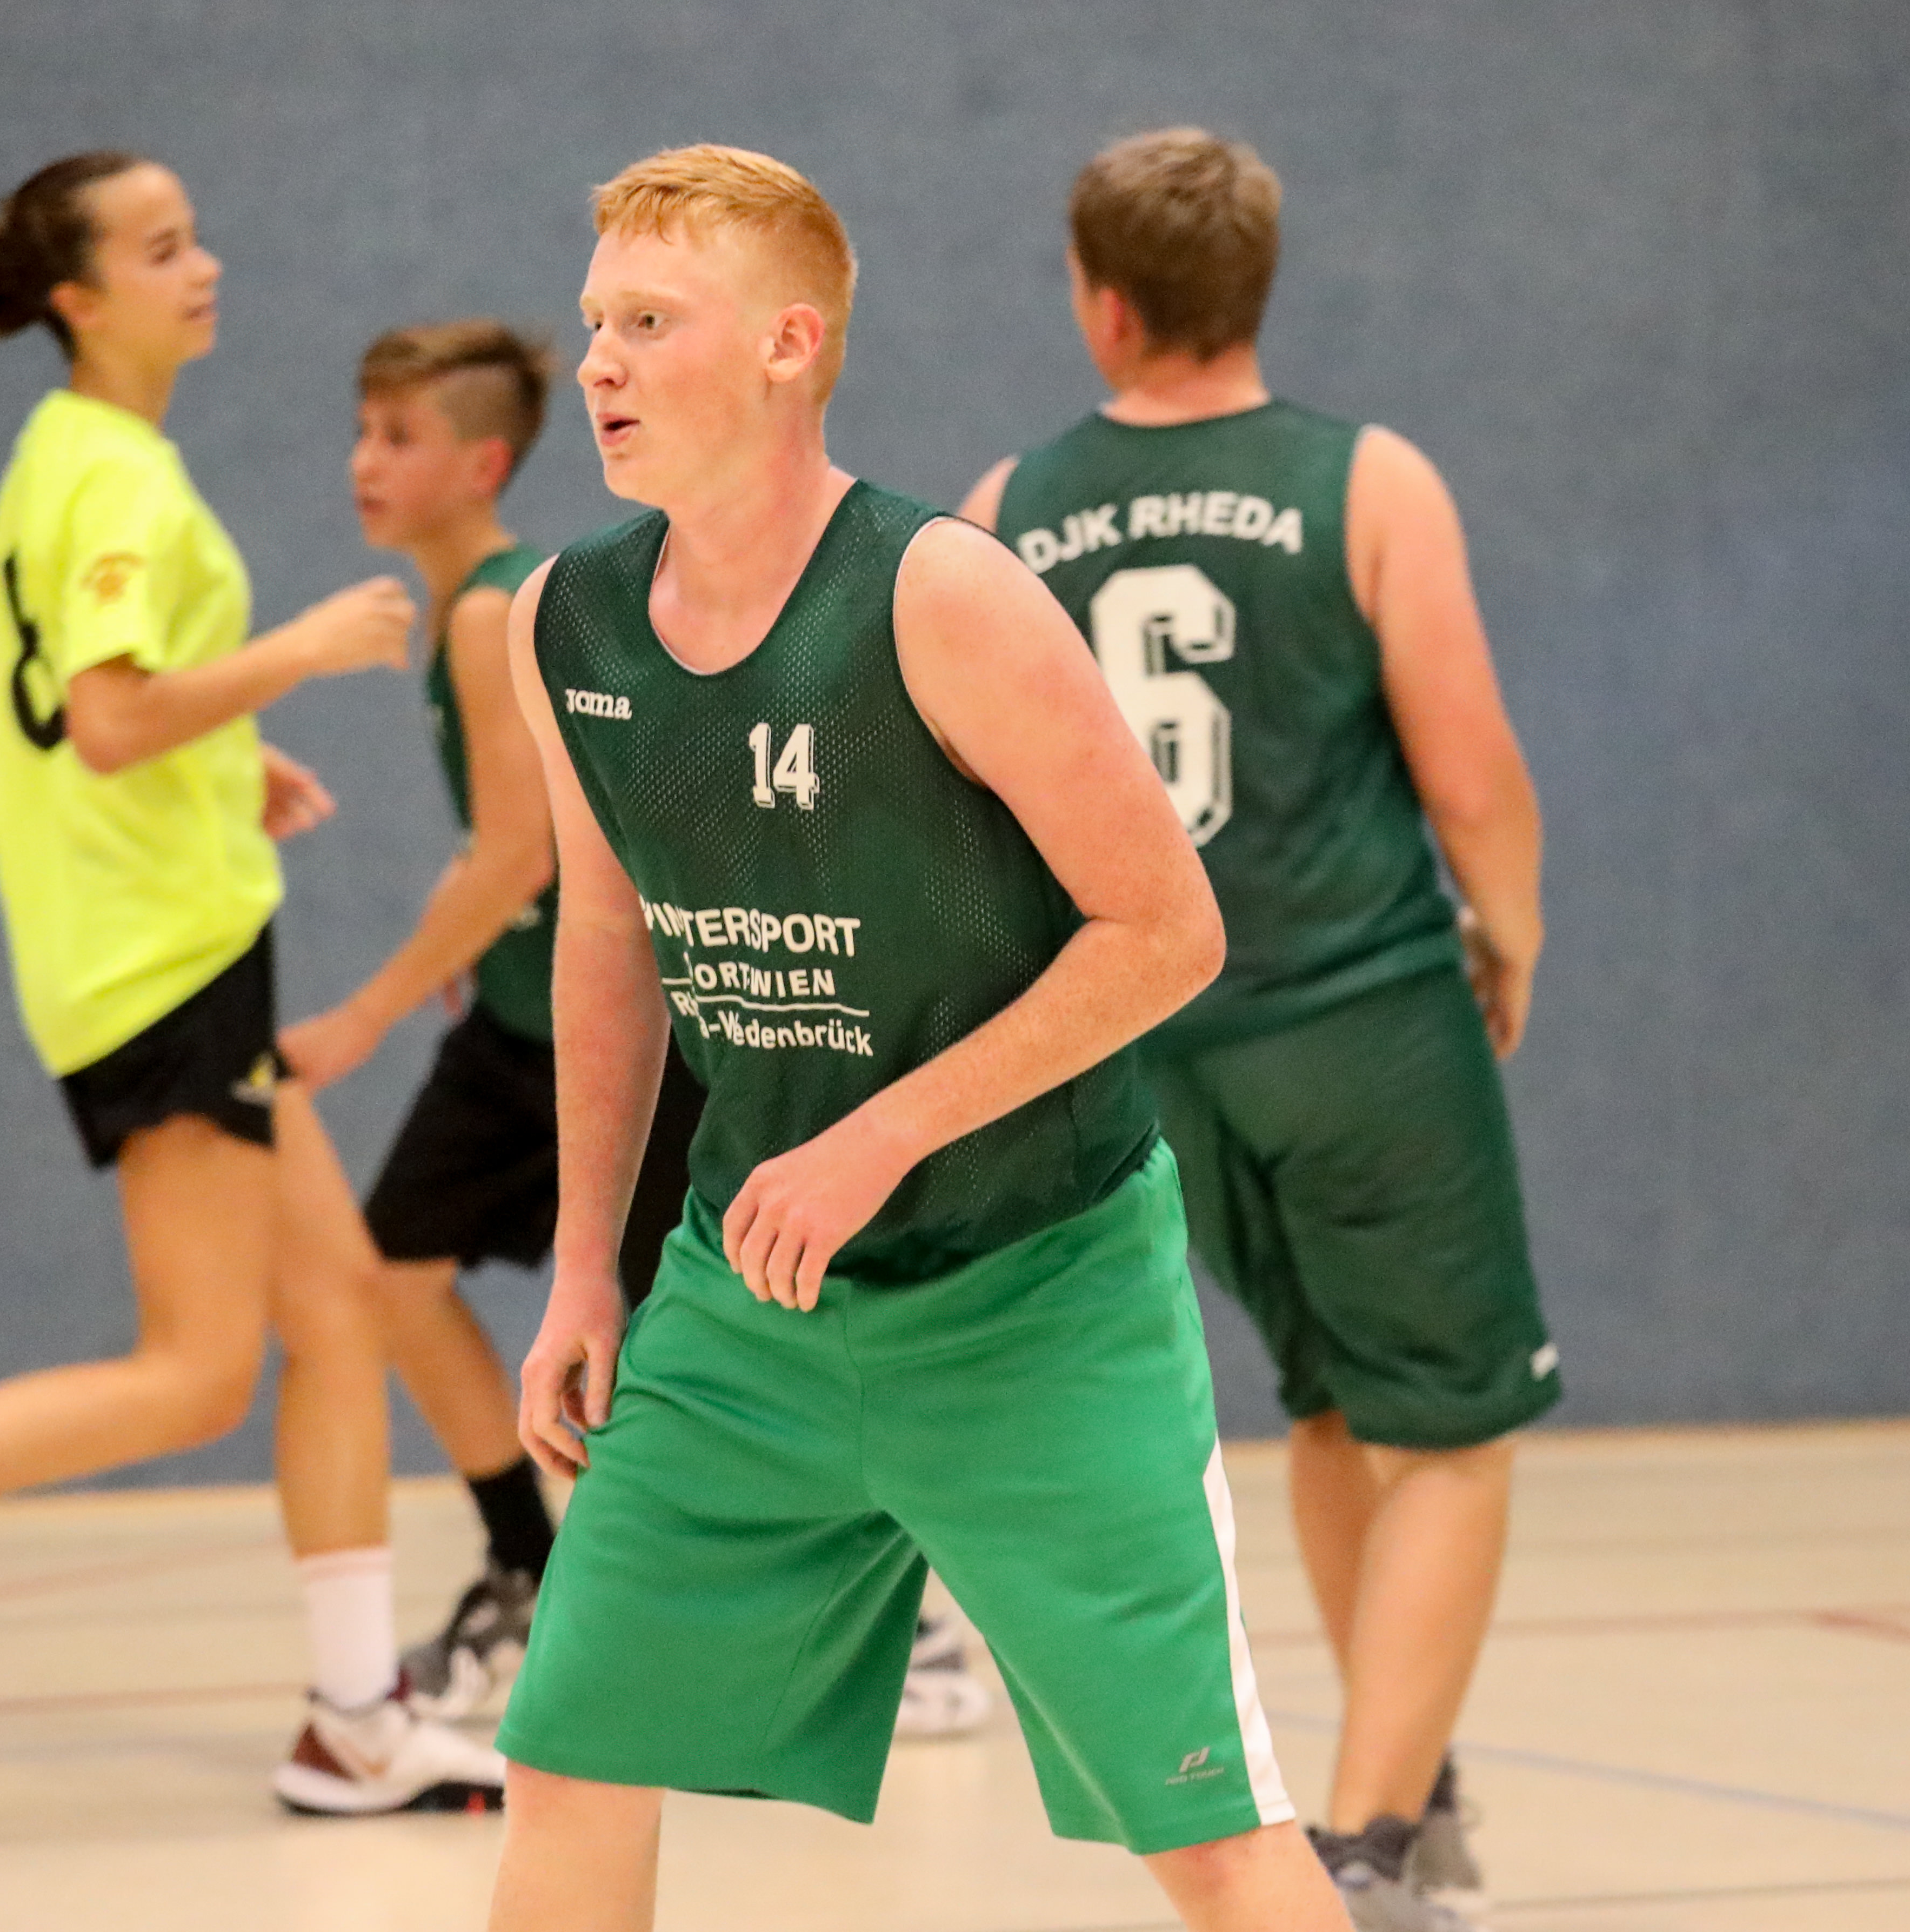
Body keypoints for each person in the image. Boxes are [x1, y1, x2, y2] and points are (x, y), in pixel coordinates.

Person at [484, 144, 1349, 1932]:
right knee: (568, 1756)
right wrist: (581, 1267)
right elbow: (610, 934)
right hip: (750, 1309)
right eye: (593, 323)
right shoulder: (559, 622)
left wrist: (881, 1135)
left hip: (1036, 1299)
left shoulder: (939, 594)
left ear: (789, 344)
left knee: (1204, 1832)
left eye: (648, 322)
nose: (598, 365)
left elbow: (1166, 930)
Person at [0, 151, 504, 1817]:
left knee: (339, 1312)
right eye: (159, 250)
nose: (199, 267)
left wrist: (225, 760)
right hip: (162, 964)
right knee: (198, 1371)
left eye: (194, 238)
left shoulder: (55, 461)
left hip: (159, 943)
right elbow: (110, 716)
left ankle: (355, 1721)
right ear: (77, 298)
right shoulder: (119, 484)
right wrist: (295, 656)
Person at [961, 128, 1559, 1929]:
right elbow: (1470, 772)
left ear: (1102, 303)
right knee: (1447, 1429)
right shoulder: (1363, 483)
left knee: (1324, 1403)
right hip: (1355, 1017)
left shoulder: (1003, 510)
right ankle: (1365, 1847)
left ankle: (1400, 1786)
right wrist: (1512, 929)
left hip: (1150, 1045)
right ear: (1256, 287)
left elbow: (975, 815)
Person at [276, 320, 711, 1721]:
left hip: (617, 1030)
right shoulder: (484, 602)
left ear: (483, 464)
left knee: (690, 1342)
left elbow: (522, 855)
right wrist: (471, 910)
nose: (365, 461)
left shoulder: (486, 613)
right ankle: (529, 1563)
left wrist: (360, 1016)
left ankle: (893, 1619)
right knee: (392, 1273)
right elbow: (524, 840)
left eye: (399, 437)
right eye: (362, 431)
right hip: (524, 1024)